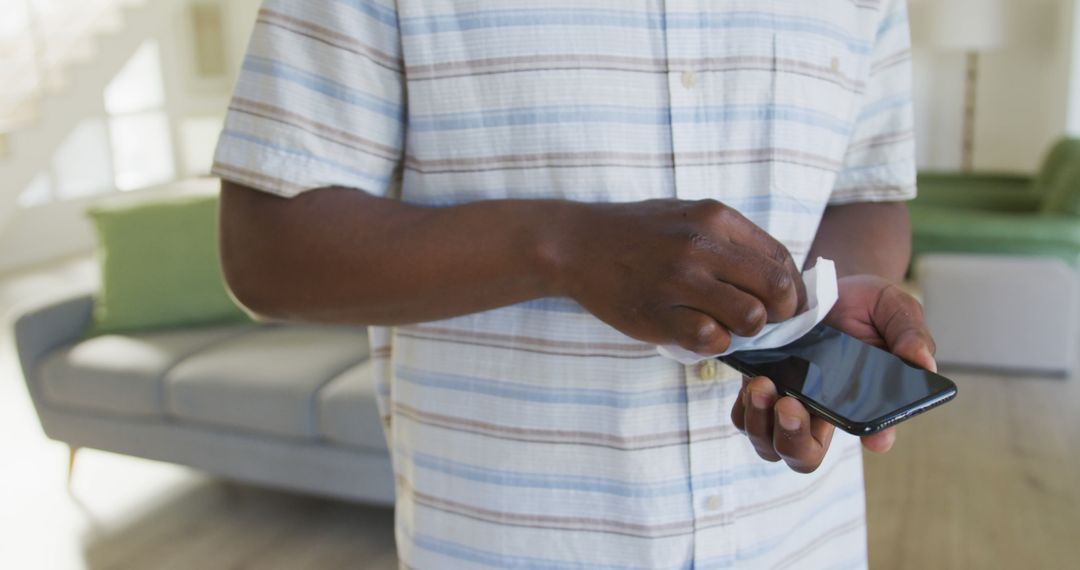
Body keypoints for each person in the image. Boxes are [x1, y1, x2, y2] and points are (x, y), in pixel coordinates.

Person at [214, 0, 936, 567]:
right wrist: (564, 247)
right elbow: (268, 251)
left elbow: (866, 191)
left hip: (798, 539)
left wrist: (827, 307)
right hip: (512, 543)